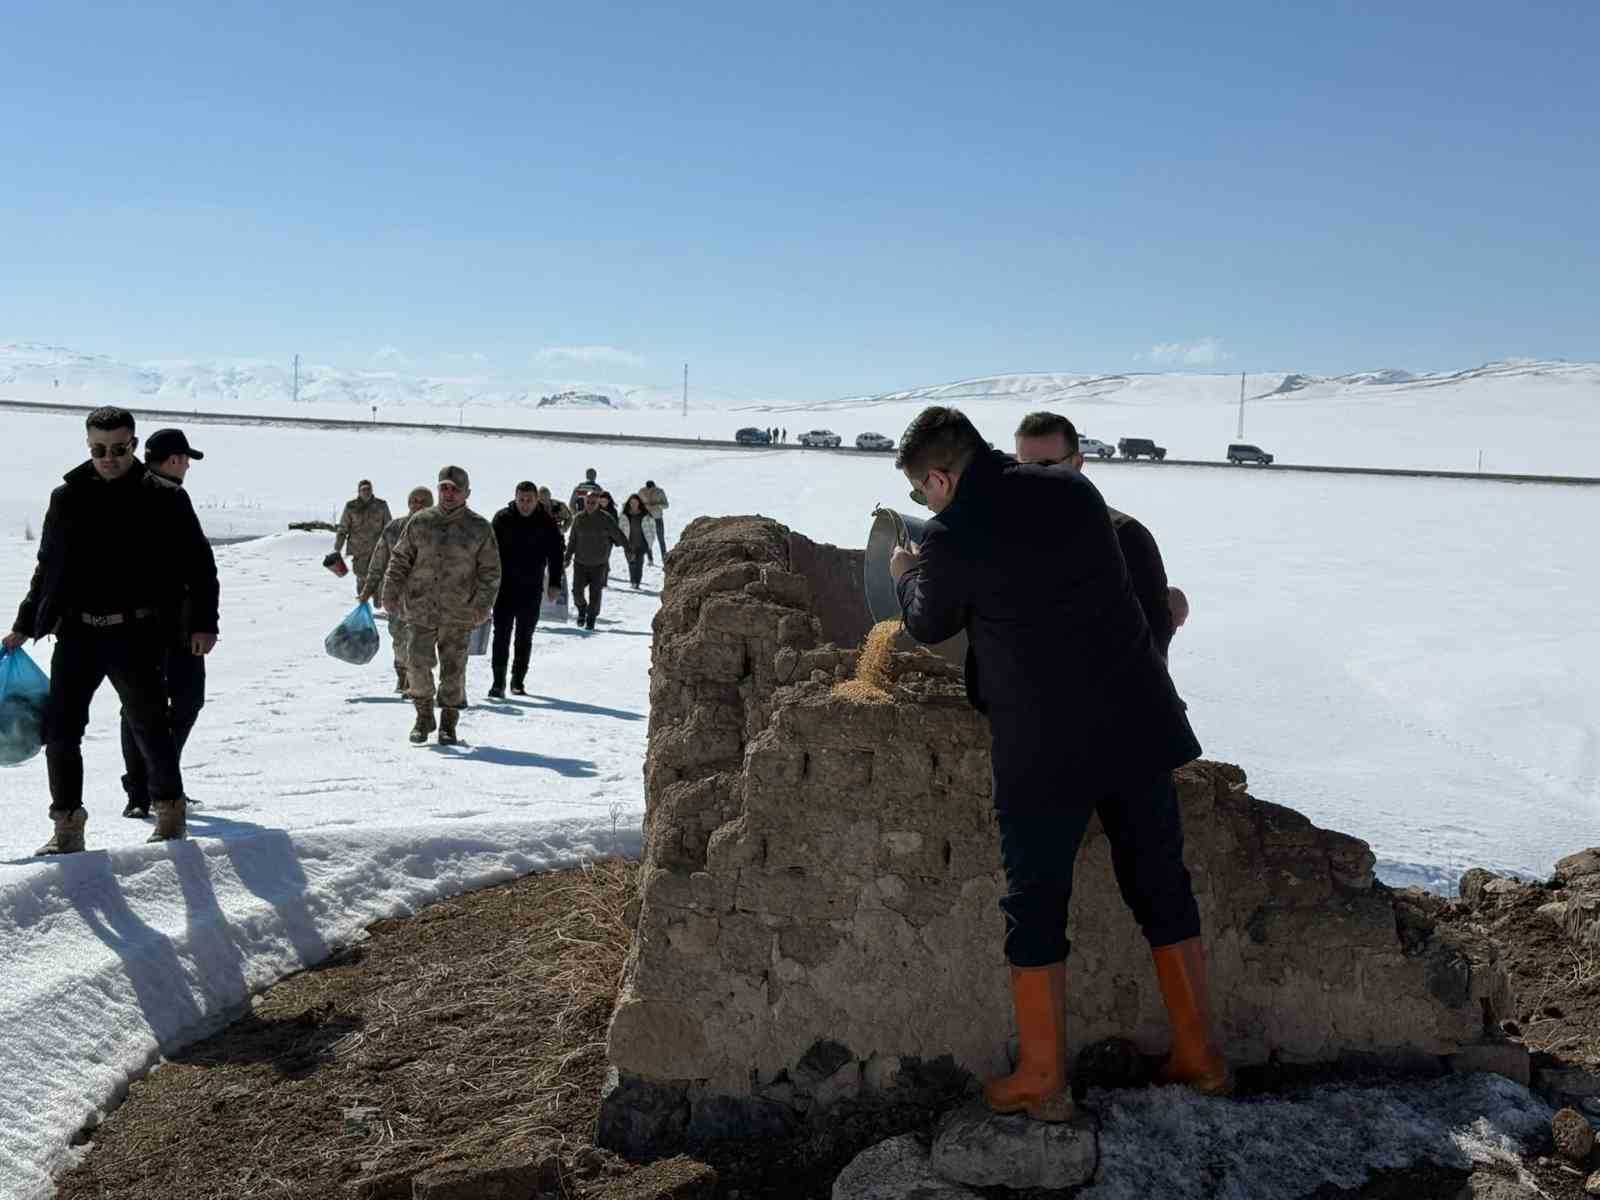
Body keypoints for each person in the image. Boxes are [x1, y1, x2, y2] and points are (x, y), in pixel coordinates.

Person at [888, 406, 1227, 1123]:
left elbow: (927, 622)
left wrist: (908, 572)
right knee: (1162, 885)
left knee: (1036, 903)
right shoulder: (1074, 490)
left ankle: (1043, 1077)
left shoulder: (953, 532)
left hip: (1044, 746)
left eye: (921, 491)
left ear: (940, 479)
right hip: (1136, 720)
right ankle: (1201, 1057)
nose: (925, 501)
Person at [4, 407, 215, 852]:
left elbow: (199, 567)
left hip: (135, 634)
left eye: (118, 449)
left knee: (150, 726)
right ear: (88, 446)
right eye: (98, 449)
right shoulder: (68, 497)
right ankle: (67, 828)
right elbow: (48, 567)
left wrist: (203, 624)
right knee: (61, 732)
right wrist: (24, 623)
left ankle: (170, 815)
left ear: (133, 445)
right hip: (77, 635)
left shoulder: (163, 497)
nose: (108, 458)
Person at [1013, 412, 1182, 658]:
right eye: (1026, 467)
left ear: (1077, 463)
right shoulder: (1003, 533)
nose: (1036, 477)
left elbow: (1152, 642)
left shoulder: (1125, 537)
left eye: (1048, 466)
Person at [117, 428, 220, 819]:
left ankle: (148, 784)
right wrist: (203, 624)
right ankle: (150, 783)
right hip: (168, 626)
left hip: (146, 625)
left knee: (145, 705)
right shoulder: (169, 496)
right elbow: (201, 567)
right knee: (173, 701)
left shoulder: (129, 490)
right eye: (186, 459)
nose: (188, 467)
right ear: (175, 459)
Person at [382, 467, 501, 746]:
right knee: (416, 664)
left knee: (453, 671)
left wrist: (483, 605)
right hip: (420, 608)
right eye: (444, 488)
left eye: (455, 489)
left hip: (459, 611)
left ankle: (448, 722)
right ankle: (423, 716)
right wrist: (390, 591)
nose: (449, 494)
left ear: (466, 493)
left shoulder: (479, 528)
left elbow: (490, 571)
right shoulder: (421, 521)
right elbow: (400, 559)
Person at [488, 482, 564, 698]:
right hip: (504, 587)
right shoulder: (502, 518)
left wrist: (554, 583)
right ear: (515, 498)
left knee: (524, 635)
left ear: (536, 500)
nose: (525, 504)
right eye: (521, 499)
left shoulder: (546, 521)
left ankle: (518, 680)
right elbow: (488, 551)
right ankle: (498, 681)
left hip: (531, 588)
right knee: (501, 635)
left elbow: (556, 554)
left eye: (529, 500)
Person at [361, 485, 433, 694]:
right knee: (399, 638)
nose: (417, 505)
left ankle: (417, 680)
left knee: (421, 641)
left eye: (423, 501)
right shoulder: (394, 528)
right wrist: (368, 590)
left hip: (428, 596)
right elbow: (379, 560)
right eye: (414, 501)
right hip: (397, 594)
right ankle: (403, 676)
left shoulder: (438, 528)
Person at [564, 490, 626, 631]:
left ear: (598, 503)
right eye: (588, 502)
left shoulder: (605, 518)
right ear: (585, 502)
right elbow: (573, 540)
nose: (591, 505)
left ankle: (591, 618)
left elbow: (618, 534)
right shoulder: (578, 518)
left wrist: (628, 549)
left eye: (593, 502)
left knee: (595, 593)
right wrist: (567, 558)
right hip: (580, 563)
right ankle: (582, 609)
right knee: (577, 591)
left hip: (599, 564)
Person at [334, 481, 392, 598]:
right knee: (361, 578)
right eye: (363, 489)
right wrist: (338, 548)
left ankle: (377, 601)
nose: (366, 492)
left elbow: (389, 527)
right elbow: (343, 528)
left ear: (372, 490)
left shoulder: (381, 505)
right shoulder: (351, 506)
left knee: (378, 577)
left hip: (378, 549)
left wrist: (391, 547)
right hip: (359, 550)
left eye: (368, 489)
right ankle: (363, 604)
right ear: (359, 491)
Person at [619, 494, 651, 588]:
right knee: (631, 563)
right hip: (629, 543)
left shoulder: (645, 514)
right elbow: (620, 528)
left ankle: (637, 582)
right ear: (629, 503)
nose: (633, 504)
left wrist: (650, 540)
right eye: (632, 502)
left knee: (639, 563)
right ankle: (633, 581)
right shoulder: (625, 515)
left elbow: (651, 528)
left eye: (635, 502)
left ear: (639, 503)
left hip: (641, 543)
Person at [640, 479, 670, 562]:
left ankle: (664, 557)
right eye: (648, 488)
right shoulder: (641, 492)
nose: (650, 490)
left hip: (658, 518)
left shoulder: (660, 491)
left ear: (654, 486)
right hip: (647, 519)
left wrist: (657, 506)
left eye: (652, 488)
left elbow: (666, 505)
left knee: (661, 539)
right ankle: (650, 559)